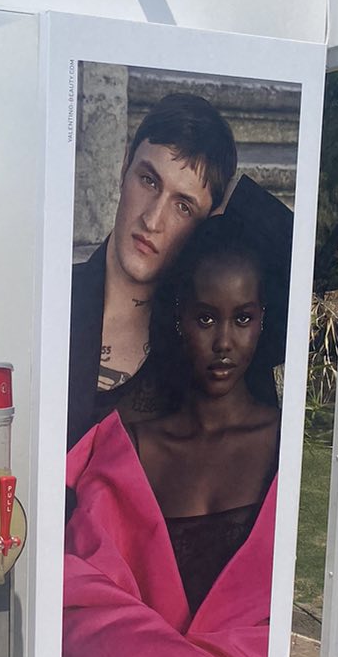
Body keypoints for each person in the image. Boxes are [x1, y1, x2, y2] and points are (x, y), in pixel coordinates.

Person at [60, 209, 288, 657]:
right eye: (206, 318)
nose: (224, 342)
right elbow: (75, 601)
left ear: (263, 320)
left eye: (243, 318)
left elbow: (289, 625)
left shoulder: (293, 455)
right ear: (179, 318)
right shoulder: (127, 453)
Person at [67, 93, 238, 453]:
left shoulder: (195, 350)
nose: (153, 219)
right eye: (148, 181)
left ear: (205, 224)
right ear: (124, 167)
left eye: (183, 206)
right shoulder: (51, 299)